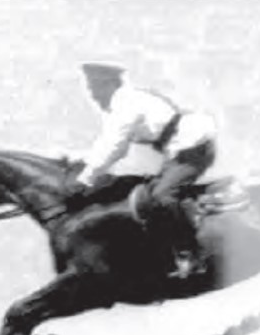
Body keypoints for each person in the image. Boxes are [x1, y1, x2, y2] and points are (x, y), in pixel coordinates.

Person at [74, 62, 219, 277]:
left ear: (109, 85)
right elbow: (106, 142)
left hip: (192, 145)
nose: (93, 96)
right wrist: (85, 164)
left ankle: (192, 254)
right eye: (90, 89)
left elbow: (115, 145)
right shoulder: (120, 105)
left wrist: (86, 177)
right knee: (144, 197)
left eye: (95, 89)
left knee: (163, 195)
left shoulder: (126, 103)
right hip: (177, 149)